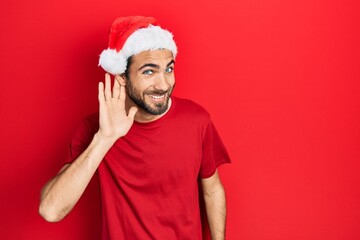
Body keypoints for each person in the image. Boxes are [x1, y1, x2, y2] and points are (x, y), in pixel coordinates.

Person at [39, 16, 231, 240]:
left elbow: (213, 189)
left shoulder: (197, 119)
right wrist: (104, 139)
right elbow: (50, 210)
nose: (163, 84)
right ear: (122, 77)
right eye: (149, 72)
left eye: (168, 69)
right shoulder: (96, 128)